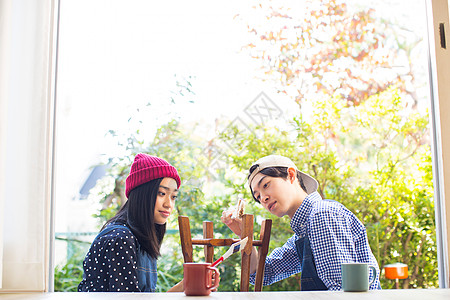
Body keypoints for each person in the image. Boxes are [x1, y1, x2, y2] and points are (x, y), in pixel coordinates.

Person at [221, 154, 381, 291]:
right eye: (257, 196)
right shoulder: (303, 233)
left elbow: (339, 290)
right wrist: (245, 233)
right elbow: (263, 274)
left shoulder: (321, 215)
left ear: (291, 175)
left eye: (266, 185)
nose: (263, 198)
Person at [78, 153, 184, 292]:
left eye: (173, 196)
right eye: (161, 193)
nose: (169, 204)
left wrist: (186, 286)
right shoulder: (120, 238)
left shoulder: (141, 238)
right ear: (142, 194)